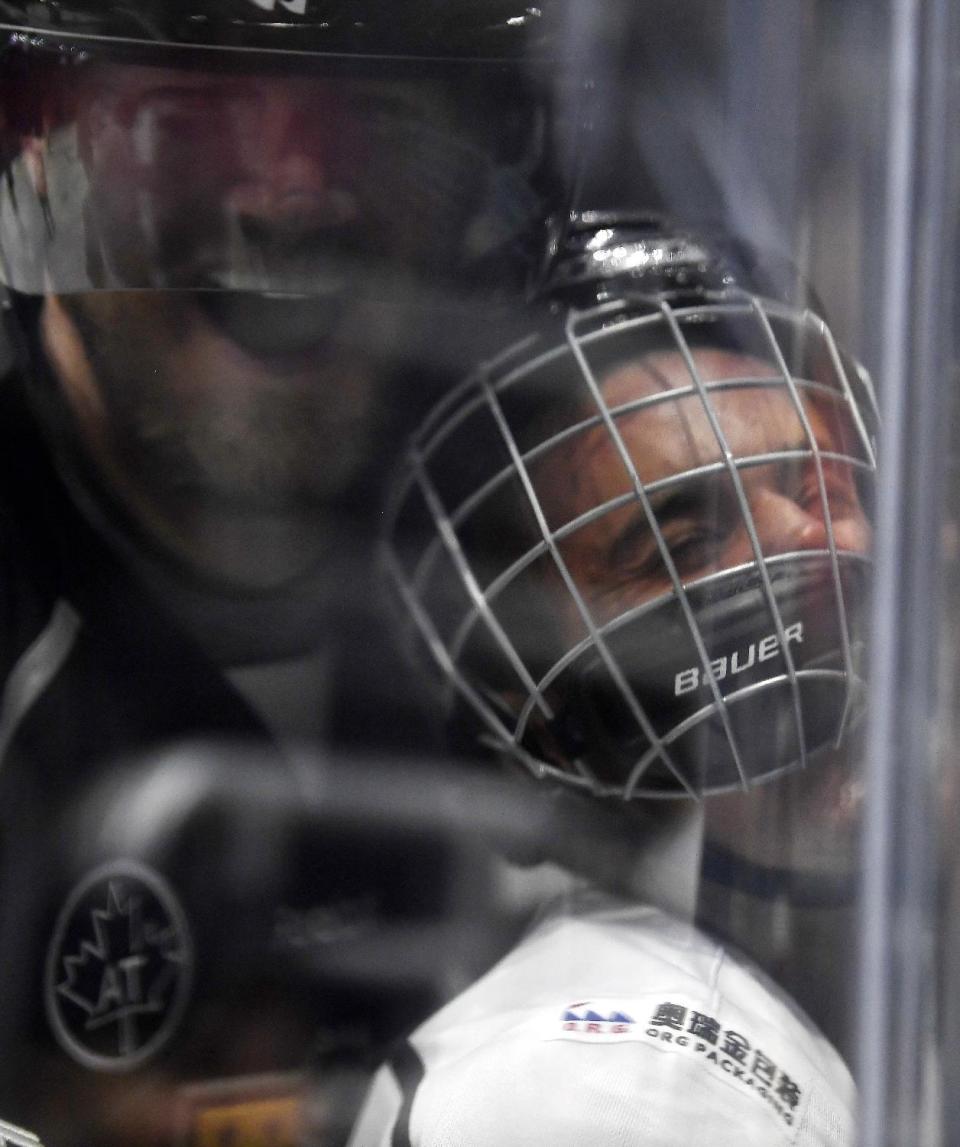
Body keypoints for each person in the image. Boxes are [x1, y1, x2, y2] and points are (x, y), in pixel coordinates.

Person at [0, 2, 561, 1143]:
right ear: (41, 141)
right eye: (189, 111)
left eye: (377, 107)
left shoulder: (559, 504)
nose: (292, 192)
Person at [362, 214, 878, 1143]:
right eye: (681, 544)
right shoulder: (612, 1090)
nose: (812, 545)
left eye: (820, 489)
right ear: (530, 702)